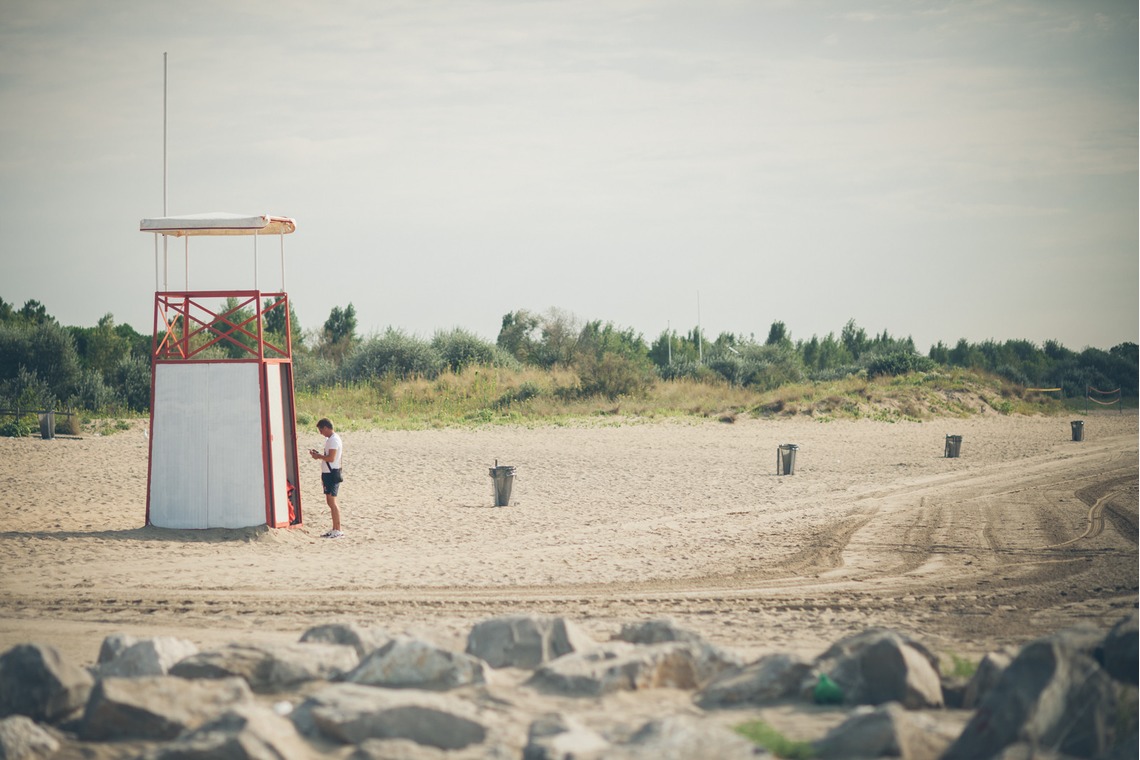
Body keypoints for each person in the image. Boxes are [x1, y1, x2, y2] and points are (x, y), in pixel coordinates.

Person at [308, 418, 344, 538]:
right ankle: (334, 528)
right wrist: (319, 455)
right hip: (329, 472)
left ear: (326, 428)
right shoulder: (331, 439)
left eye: (321, 430)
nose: (321, 433)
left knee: (332, 502)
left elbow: (331, 458)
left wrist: (318, 456)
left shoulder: (333, 440)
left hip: (331, 473)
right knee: (329, 501)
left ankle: (337, 529)